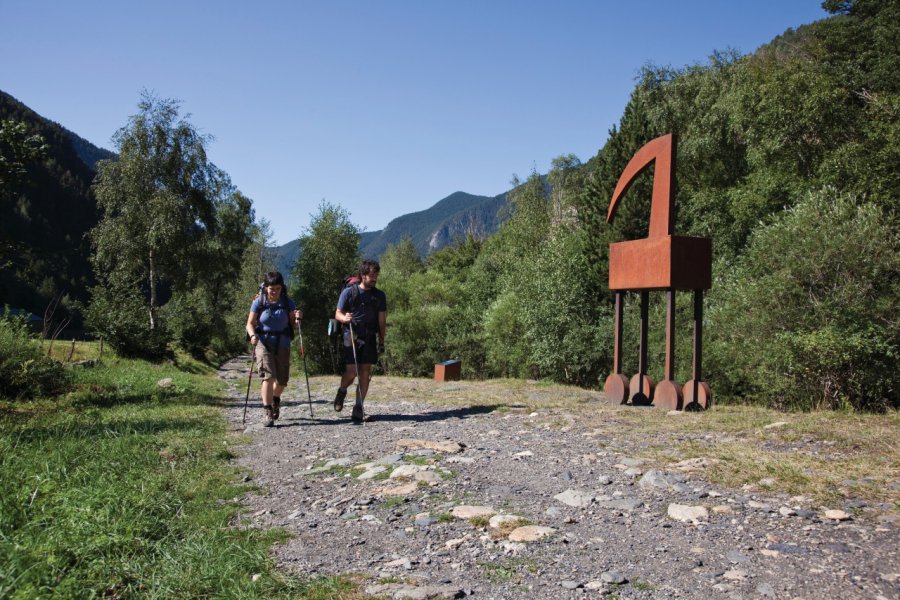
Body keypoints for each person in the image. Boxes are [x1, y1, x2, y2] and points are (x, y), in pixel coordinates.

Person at [245, 271, 302, 427]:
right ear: (266, 288)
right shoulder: (259, 302)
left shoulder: (287, 302)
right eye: (272, 289)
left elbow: (295, 325)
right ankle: (267, 410)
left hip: (283, 342)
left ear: (282, 288)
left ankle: (276, 399)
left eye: (278, 288)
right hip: (263, 342)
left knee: (282, 380)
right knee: (268, 377)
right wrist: (252, 335)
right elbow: (250, 323)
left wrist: (298, 318)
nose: (275, 292)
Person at [334, 259, 387, 423]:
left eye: (376, 275)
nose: (374, 278)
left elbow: (382, 320)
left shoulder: (379, 295)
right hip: (352, 334)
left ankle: (358, 408)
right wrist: (345, 318)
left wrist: (382, 341)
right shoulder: (349, 292)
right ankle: (342, 390)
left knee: (365, 372)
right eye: (371, 275)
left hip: (370, 336)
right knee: (352, 371)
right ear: (363, 275)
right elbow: (337, 314)